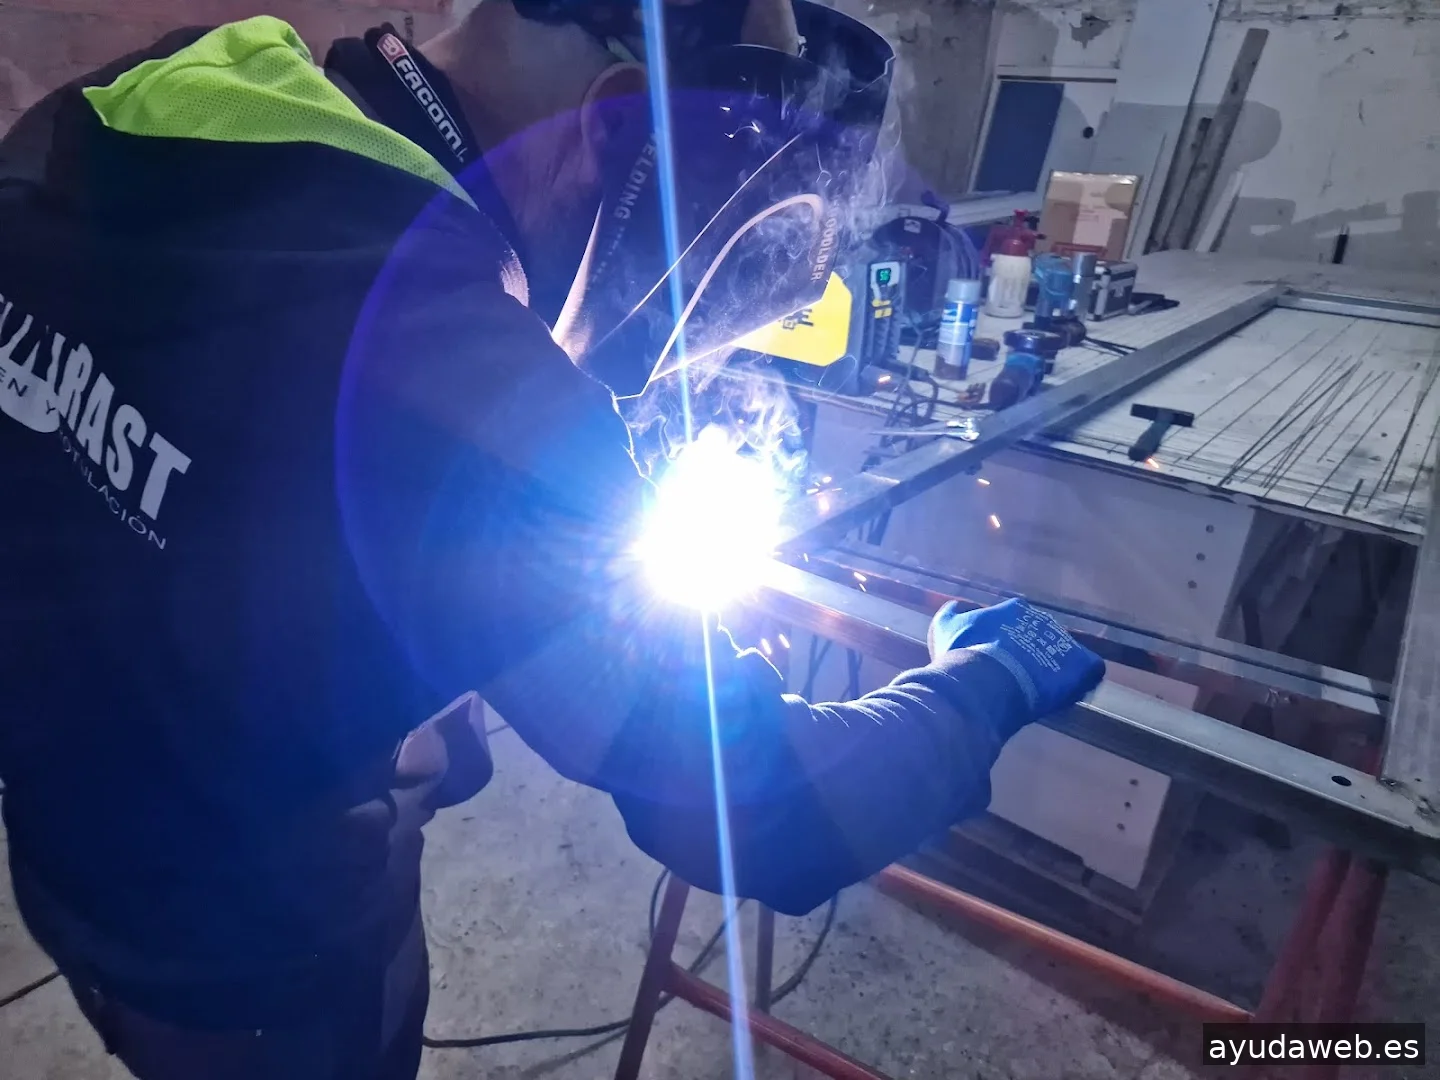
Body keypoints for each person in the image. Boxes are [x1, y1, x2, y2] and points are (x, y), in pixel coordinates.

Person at [0, 2, 1106, 1078]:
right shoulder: (453, 376)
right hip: (258, 974)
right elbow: (774, 807)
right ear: (616, 128)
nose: (680, 338)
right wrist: (987, 681)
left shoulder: (156, 95)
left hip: (65, 851)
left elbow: (205, 489)